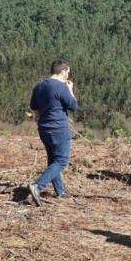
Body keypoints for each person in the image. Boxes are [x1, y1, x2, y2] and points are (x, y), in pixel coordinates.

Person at [28, 60, 78, 206]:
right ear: (62, 72)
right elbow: (73, 105)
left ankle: (60, 191)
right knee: (61, 160)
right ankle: (38, 186)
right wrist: (70, 90)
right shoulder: (60, 86)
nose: (67, 76)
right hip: (58, 128)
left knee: (52, 159)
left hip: (43, 128)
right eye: (67, 73)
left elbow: (33, 107)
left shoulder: (39, 86)